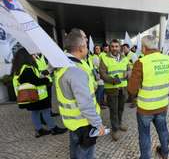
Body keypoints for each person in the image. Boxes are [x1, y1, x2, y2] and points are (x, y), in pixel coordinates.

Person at [54, 29, 105, 159]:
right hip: (84, 123)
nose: (88, 48)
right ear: (81, 48)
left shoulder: (63, 63)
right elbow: (85, 103)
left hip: (73, 122)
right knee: (85, 153)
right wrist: (98, 124)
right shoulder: (75, 70)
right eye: (86, 45)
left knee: (75, 150)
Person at [128, 35, 169, 159]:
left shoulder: (141, 63)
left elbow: (132, 89)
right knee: (163, 130)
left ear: (143, 48)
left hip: (145, 108)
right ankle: (165, 152)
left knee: (144, 134)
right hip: (162, 105)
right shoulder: (168, 60)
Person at [12, 48, 67, 138]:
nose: (34, 56)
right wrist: (45, 80)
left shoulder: (19, 68)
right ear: (26, 57)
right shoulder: (27, 69)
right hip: (38, 95)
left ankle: (39, 130)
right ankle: (53, 128)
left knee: (35, 112)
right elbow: (35, 81)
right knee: (45, 111)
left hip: (30, 95)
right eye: (32, 55)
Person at [99, 39, 130, 141]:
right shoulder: (104, 58)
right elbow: (102, 74)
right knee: (114, 110)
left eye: (116, 46)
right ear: (109, 47)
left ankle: (119, 123)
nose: (114, 48)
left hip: (123, 88)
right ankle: (115, 129)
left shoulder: (124, 58)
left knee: (121, 108)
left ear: (120, 47)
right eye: (112, 46)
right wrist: (112, 80)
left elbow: (129, 69)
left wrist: (129, 73)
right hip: (112, 89)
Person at [122, 43, 138, 108]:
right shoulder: (124, 55)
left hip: (132, 73)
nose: (124, 50)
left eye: (125, 48)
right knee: (128, 87)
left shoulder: (133, 55)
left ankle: (134, 102)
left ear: (128, 48)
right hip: (127, 73)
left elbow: (136, 65)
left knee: (133, 88)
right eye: (123, 48)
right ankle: (130, 99)